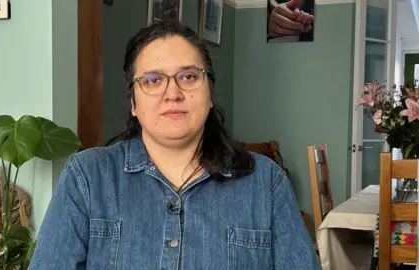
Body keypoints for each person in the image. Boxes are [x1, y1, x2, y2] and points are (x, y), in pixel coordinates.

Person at [29, 21, 320, 269]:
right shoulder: (88, 177)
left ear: (210, 94)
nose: (173, 93)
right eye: (154, 80)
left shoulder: (266, 182)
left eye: (189, 76)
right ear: (133, 101)